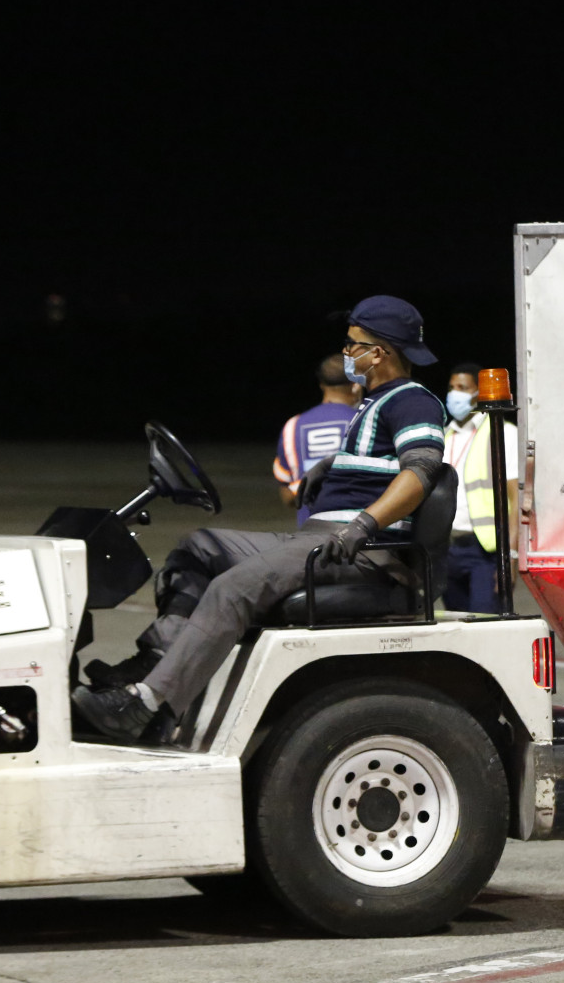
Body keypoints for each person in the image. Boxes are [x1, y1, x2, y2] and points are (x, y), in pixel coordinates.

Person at [72, 295, 446, 742]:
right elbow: (377, 461)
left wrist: (363, 525)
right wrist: (330, 464)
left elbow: (420, 472)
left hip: (360, 550)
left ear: (379, 353)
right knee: (199, 547)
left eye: (353, 344)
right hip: (319, 536)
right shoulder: (373, 401)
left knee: (233, 588)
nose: (346, 352)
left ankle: (146, 708)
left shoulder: (412, 401)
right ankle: (157, 662)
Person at [440, 362, 520, 613]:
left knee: (486, 622)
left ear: (478, 393)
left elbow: (516, 499)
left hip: (485, 551)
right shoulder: (444, 437)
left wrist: (511, 556)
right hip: (446, 549)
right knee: (455, 624)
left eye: (462, 387)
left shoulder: (502, 433)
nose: (455, 394)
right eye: (452, 387)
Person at [273, 355, 360, 525]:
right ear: (356, 385)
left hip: (311, 534)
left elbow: (288, 496)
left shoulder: (292, 426)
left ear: (321, 384)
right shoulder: (366, 421)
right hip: (359, 533)